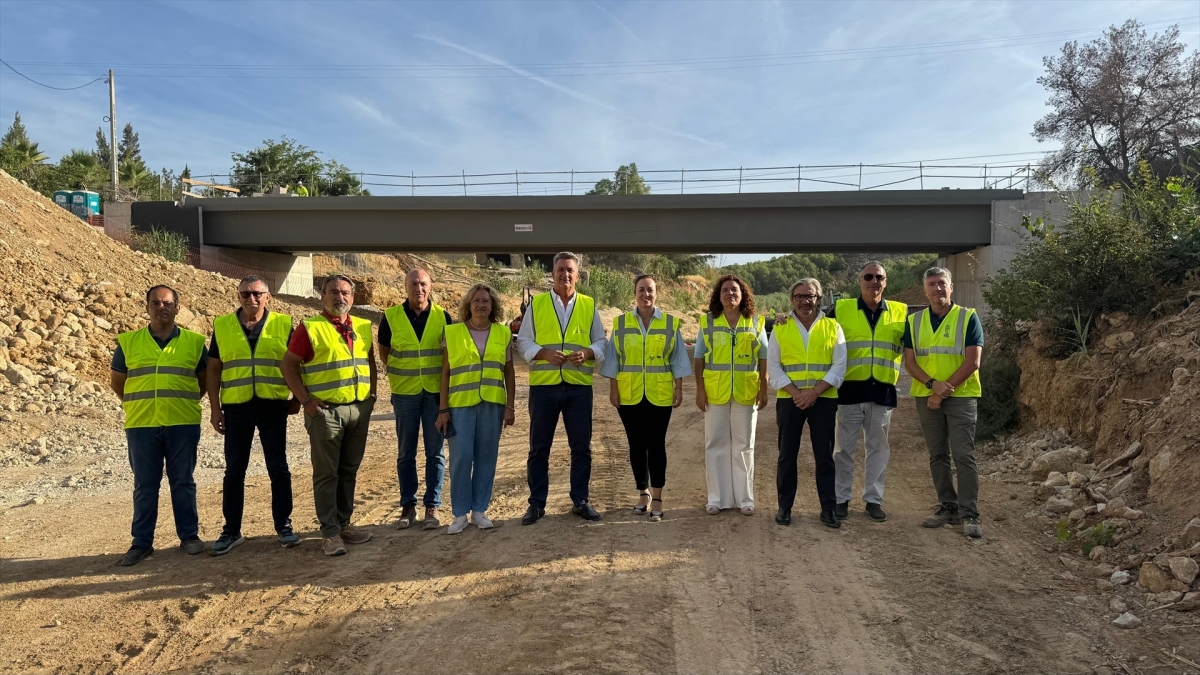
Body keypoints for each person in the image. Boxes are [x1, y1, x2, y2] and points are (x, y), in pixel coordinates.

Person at [110, 285, 209, 566]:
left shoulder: (193, 342)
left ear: (178, 308)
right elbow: (119, 383)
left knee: (183, 482)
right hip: (142, 423)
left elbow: (203, 381)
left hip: (183, 422)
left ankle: (189, 536)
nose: (161, 307)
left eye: (167, 302)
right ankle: (141, 543)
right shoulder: (129, 342)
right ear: (147, 307)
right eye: (155, 302)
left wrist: (184, 401)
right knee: (145, 485)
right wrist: (138, 403)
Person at [282, 274, 378, 556]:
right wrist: (306, 400)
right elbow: (288, 365)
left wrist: (371, 397)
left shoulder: (361, 325)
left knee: (348, 470)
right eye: (333, 292)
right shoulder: (310, 328)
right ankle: (330, 532)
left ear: (353, 297)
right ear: (322, 297)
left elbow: (369, 361)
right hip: (326, 412)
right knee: (327, 473)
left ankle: (344, 524)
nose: (340, 297)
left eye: (346, 292)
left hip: (358, 409)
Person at [206, 275, 300, 555]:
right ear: (238, 297)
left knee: (278, 468)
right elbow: (213, 369)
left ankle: (284, 525)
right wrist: (214, 408)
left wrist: (297, 397)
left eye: (257, 294)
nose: (252, 299)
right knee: (234, 471)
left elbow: (298, 363)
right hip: (236, 407)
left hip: (273, 406)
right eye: (245, 294)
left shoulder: (284, 324)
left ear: (268, 297)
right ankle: (231, 530)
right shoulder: (222, 326)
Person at [515, 251, 608, 525]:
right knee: (538, 448)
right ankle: (536, 504)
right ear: (552, 274)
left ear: (578, 275)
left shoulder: (590, 306)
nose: (565, 274)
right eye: (560, 270)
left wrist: (589, 353)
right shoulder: (538, 304)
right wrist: (542, 354)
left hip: (578, 388)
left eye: (570, 270)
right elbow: (523, 341)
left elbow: (601, 341)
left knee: (581, 447)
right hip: (544, 388)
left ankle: (580, 500)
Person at [601, 274, 692, 522]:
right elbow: (613, 360)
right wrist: (613, 389)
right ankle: (643, 493)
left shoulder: (671, 324)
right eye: (641, 290)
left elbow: (678, 359)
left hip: (659, 393)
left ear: (656, 293)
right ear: (635, 293)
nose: (646, 294)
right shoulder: (620, 323)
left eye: (650, 290)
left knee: (656, 444)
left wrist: (679, 388)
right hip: (629, 394)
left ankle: (658, 497)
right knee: (636, 445)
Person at [903, 267, 984, 539]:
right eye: (932, 284)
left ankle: (969, 513)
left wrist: (942, 390)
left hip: (961, 396)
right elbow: (910, 362)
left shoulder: (968, 318)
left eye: (942, 284)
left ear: (951, 288)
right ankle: (948, 507)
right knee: (937, 454)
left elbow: (973, 362)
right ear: (924, 290)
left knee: (964, 455)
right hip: (927, 395)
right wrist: (931, 386)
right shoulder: (913, 322)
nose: (938, 288)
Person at [435, 284, 516, 534]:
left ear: (493, 307)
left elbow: (509, 373)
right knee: (461, 459)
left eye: (486, 301)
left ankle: (479, 510)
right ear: (468, 305)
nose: (481, 305)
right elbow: (446, 373)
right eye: (476, 301)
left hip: (492, 404)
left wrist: (510, 406)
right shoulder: (453, 332)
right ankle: (459, 514)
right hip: (460, 406)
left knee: (486, 458)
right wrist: (442, 409)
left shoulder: (503, 333)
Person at [830, 261, 907, 522]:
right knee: (843, 450)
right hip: (849, 392)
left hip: (882, 393)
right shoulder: (841, 310)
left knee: (878, 450)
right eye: (869, 276)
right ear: (859, 280)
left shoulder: (900, 312)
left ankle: (873, 500)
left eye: (879, 277)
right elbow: (815, 328)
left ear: (885, 282)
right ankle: (841, 499)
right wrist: (785, 320)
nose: (874, 281)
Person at [767, 279, 846, 528]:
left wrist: (813, 392)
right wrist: (797, 393)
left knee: (825, 457)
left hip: (823, 400)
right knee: (787, 455)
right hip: (790, 400)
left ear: (818, 298)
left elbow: (839, 366)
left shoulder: (833, 327)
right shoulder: (780, 328)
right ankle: (785, 508)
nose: (805, 301)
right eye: (799, 296)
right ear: (792, 299)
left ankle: (828, 509)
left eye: (810, 296)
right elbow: (773, 366)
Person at [379, 269, 454, 531]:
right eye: (413, 283)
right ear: (405, 286)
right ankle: (408, 506)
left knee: (436, 453)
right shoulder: (390, 317)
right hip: (405, 394)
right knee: (405, 453)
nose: (418, 288)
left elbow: (449, 356)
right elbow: (384, 351)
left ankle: (432, 506)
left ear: (430, 287)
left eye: (423, 284)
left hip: (435, 395)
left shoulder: (444, 317)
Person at [694, 274, 768, 516]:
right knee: (715, 444)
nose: (730, 294)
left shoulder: (756, 323)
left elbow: (764, 358)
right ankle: (717, 499)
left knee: (744, 447)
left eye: (735, 290)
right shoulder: (708, 323)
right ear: (719, 295)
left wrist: (764, 388)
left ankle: (745, 499)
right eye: (725, 290)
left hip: (746, 393)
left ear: (743, 294)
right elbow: (699, 358)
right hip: (716, 393)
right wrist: (700, 390)